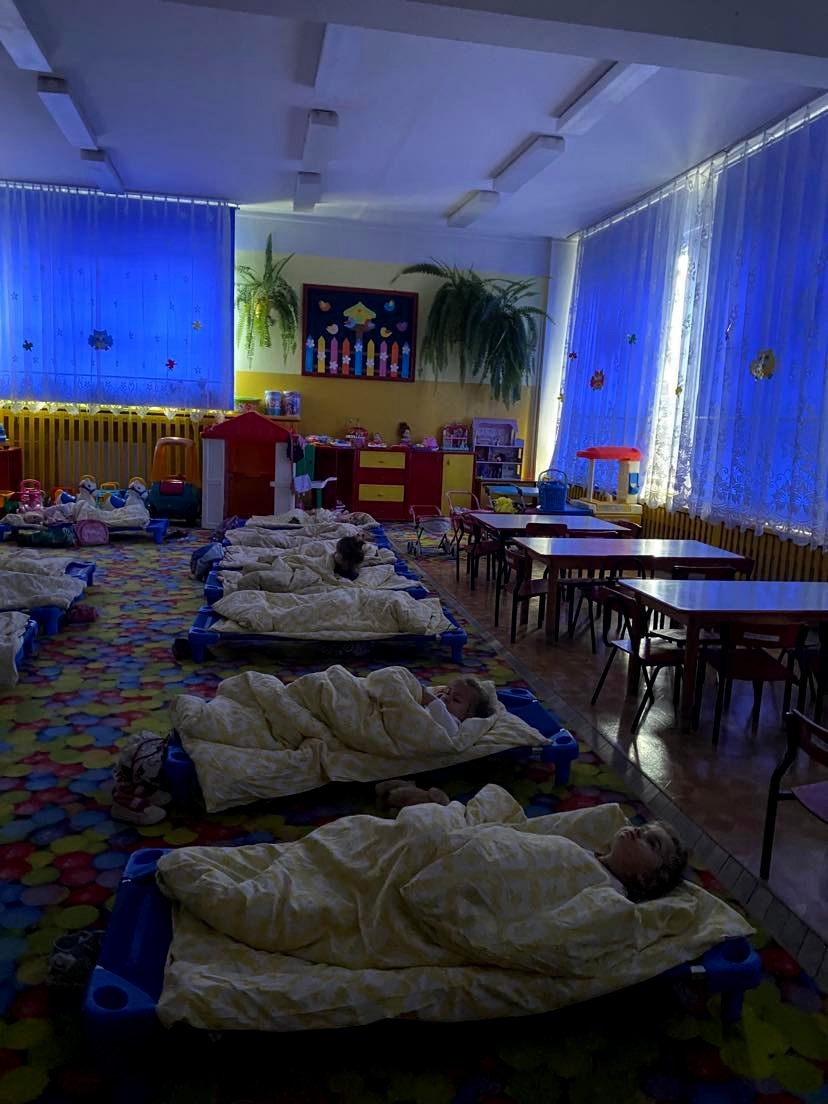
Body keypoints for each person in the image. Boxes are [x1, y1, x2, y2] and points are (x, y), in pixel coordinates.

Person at [597, 821, 688, 901]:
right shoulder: (590, 850)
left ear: (648, 880)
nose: (638, 830)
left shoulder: (611, 897)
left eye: (651, 842)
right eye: (643, 828)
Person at [420, 677, 494, 736]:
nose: (446, 698)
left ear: (468, 715)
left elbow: (451, 732)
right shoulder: (436, 701)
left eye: (456, 700)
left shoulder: (454, 720)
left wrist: (433, 702)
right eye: (447, 693)